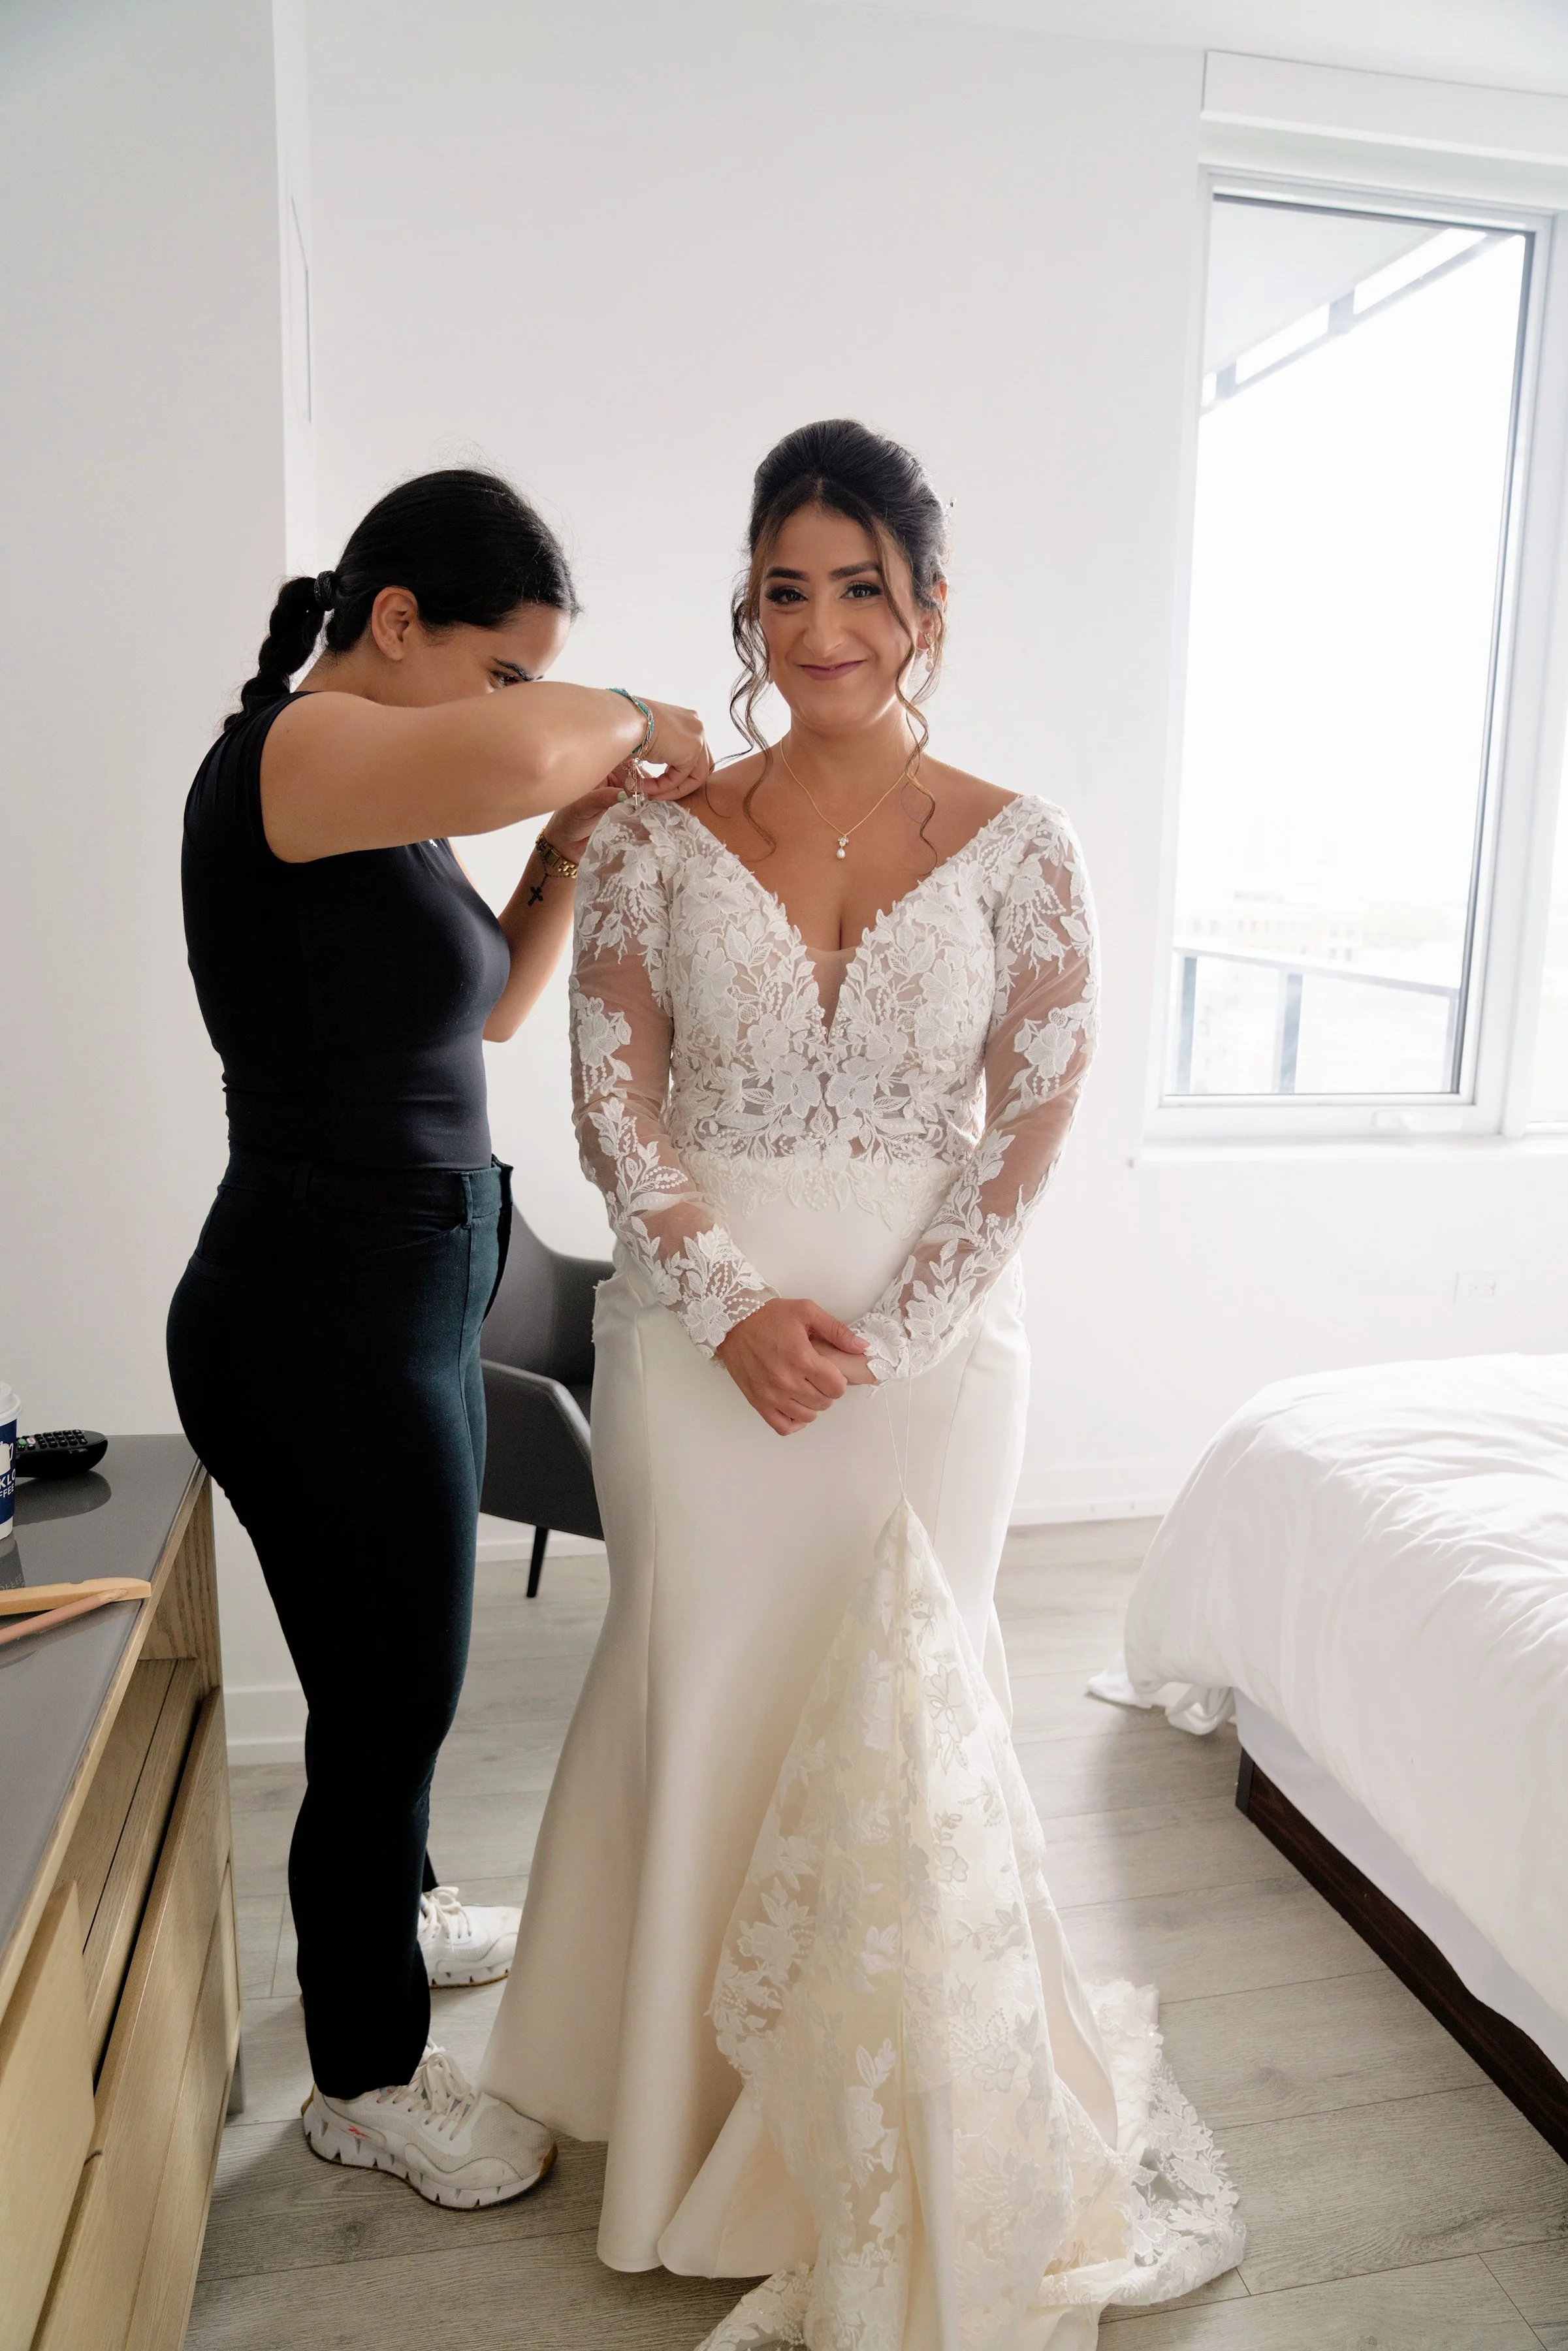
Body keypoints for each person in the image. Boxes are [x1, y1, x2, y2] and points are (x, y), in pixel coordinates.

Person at [481, 423, 1244, 2343]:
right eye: (786, 585)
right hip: (692, 1348)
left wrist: (898, 1335)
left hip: (926, 1361)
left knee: (913, 1702)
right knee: (702, 1680)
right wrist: (725, 1295)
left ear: (926, 607)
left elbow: (1038, 1117)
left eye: (860, 587)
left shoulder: (1022, 845)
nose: (821, 625)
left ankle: (898, 2103)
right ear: (747, 598)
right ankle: (683, 2117)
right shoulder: (655, 839)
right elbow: (610, 1102)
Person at [167, 468, 711, 2211]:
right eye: (502, 669)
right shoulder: (298, 753)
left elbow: (482, 1002)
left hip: (399, 1283)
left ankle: (389, 1921)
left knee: (386, 1673)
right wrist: (632, 715)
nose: (517, 709)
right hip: (318, 1299)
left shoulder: (377, 806)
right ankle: (367, 2076)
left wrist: (558, 848)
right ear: (395, 623)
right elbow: (527, 748)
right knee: (394, 1691)